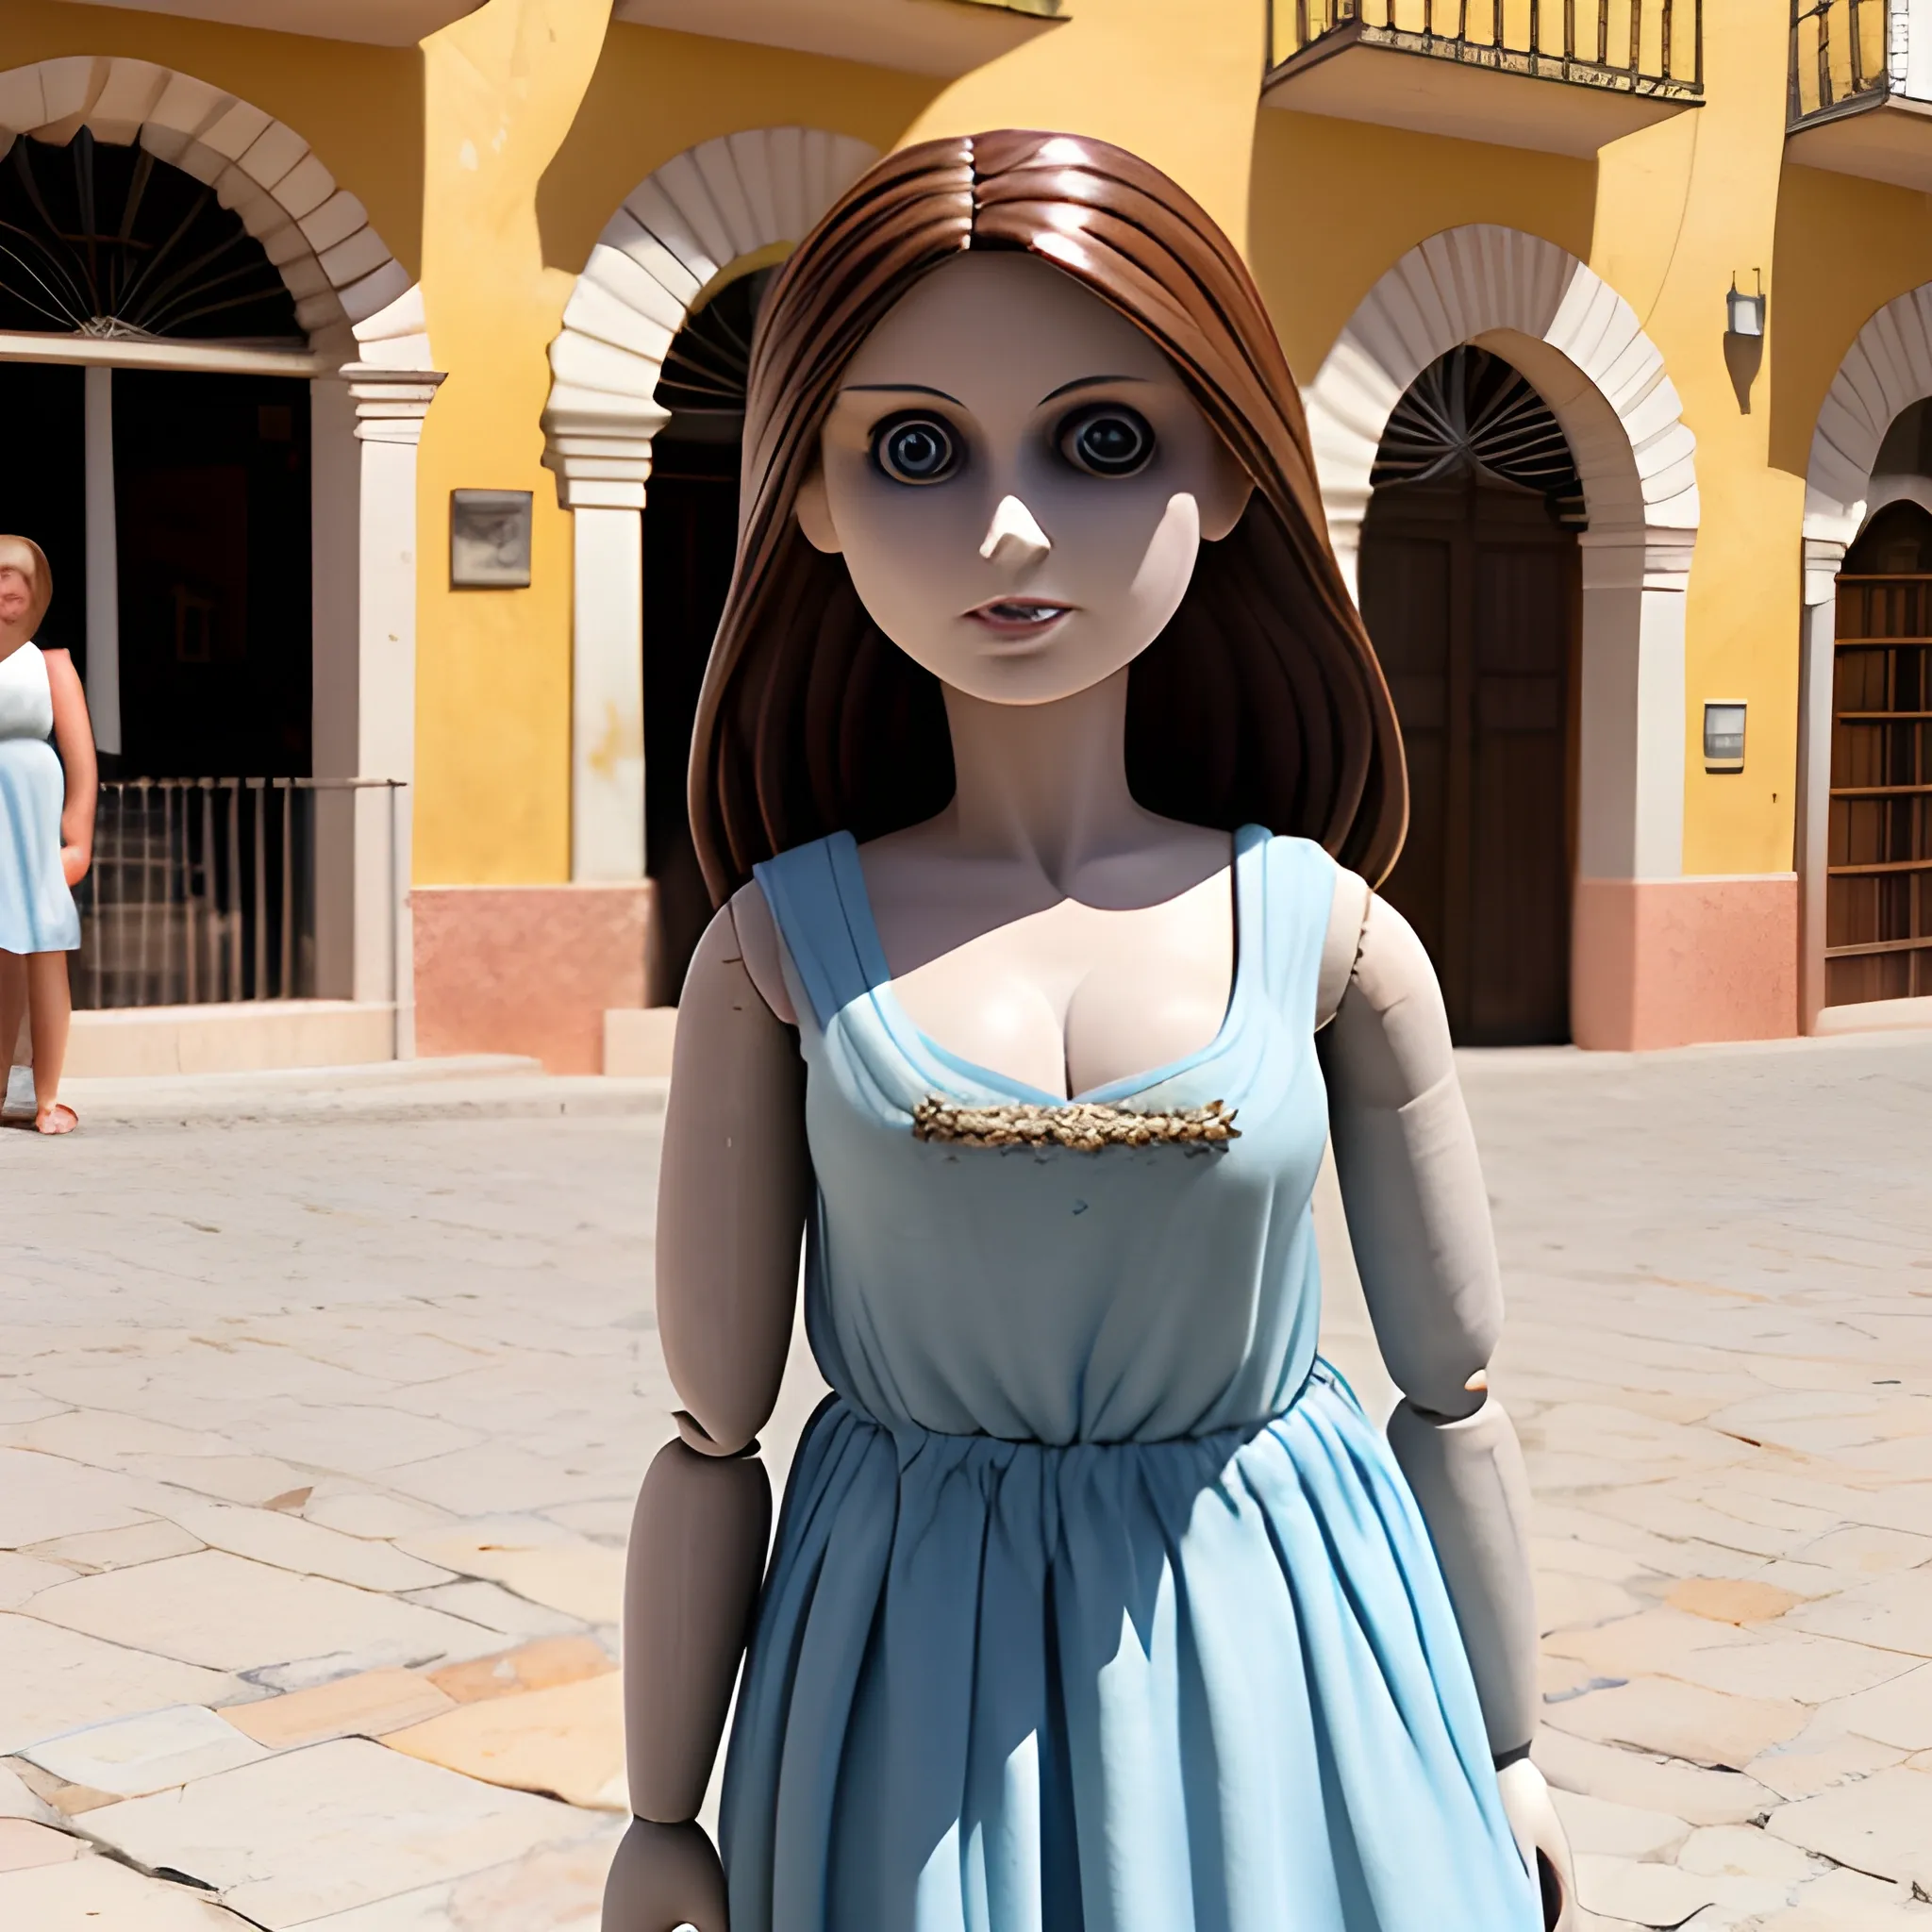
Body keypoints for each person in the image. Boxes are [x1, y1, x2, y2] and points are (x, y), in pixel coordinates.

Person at [605, 132, 1574, 1932]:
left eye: (1100, 438)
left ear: (1222, 472)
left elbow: (1450, 1394)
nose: (1008, 528)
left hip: (1282, 1643)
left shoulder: (1334, 939)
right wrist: (665, 1813)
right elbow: (708, 1435)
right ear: (804, 494)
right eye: (913, 448)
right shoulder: (772, 954)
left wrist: (1506, 1747)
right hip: (903, 1670)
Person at [0, 535, 94, 1134]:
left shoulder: (51, 664)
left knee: (43, 953)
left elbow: (81, 763)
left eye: (22, 578)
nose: (10, 588)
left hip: (34, 837)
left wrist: (77, 839)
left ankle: (48, 1095)